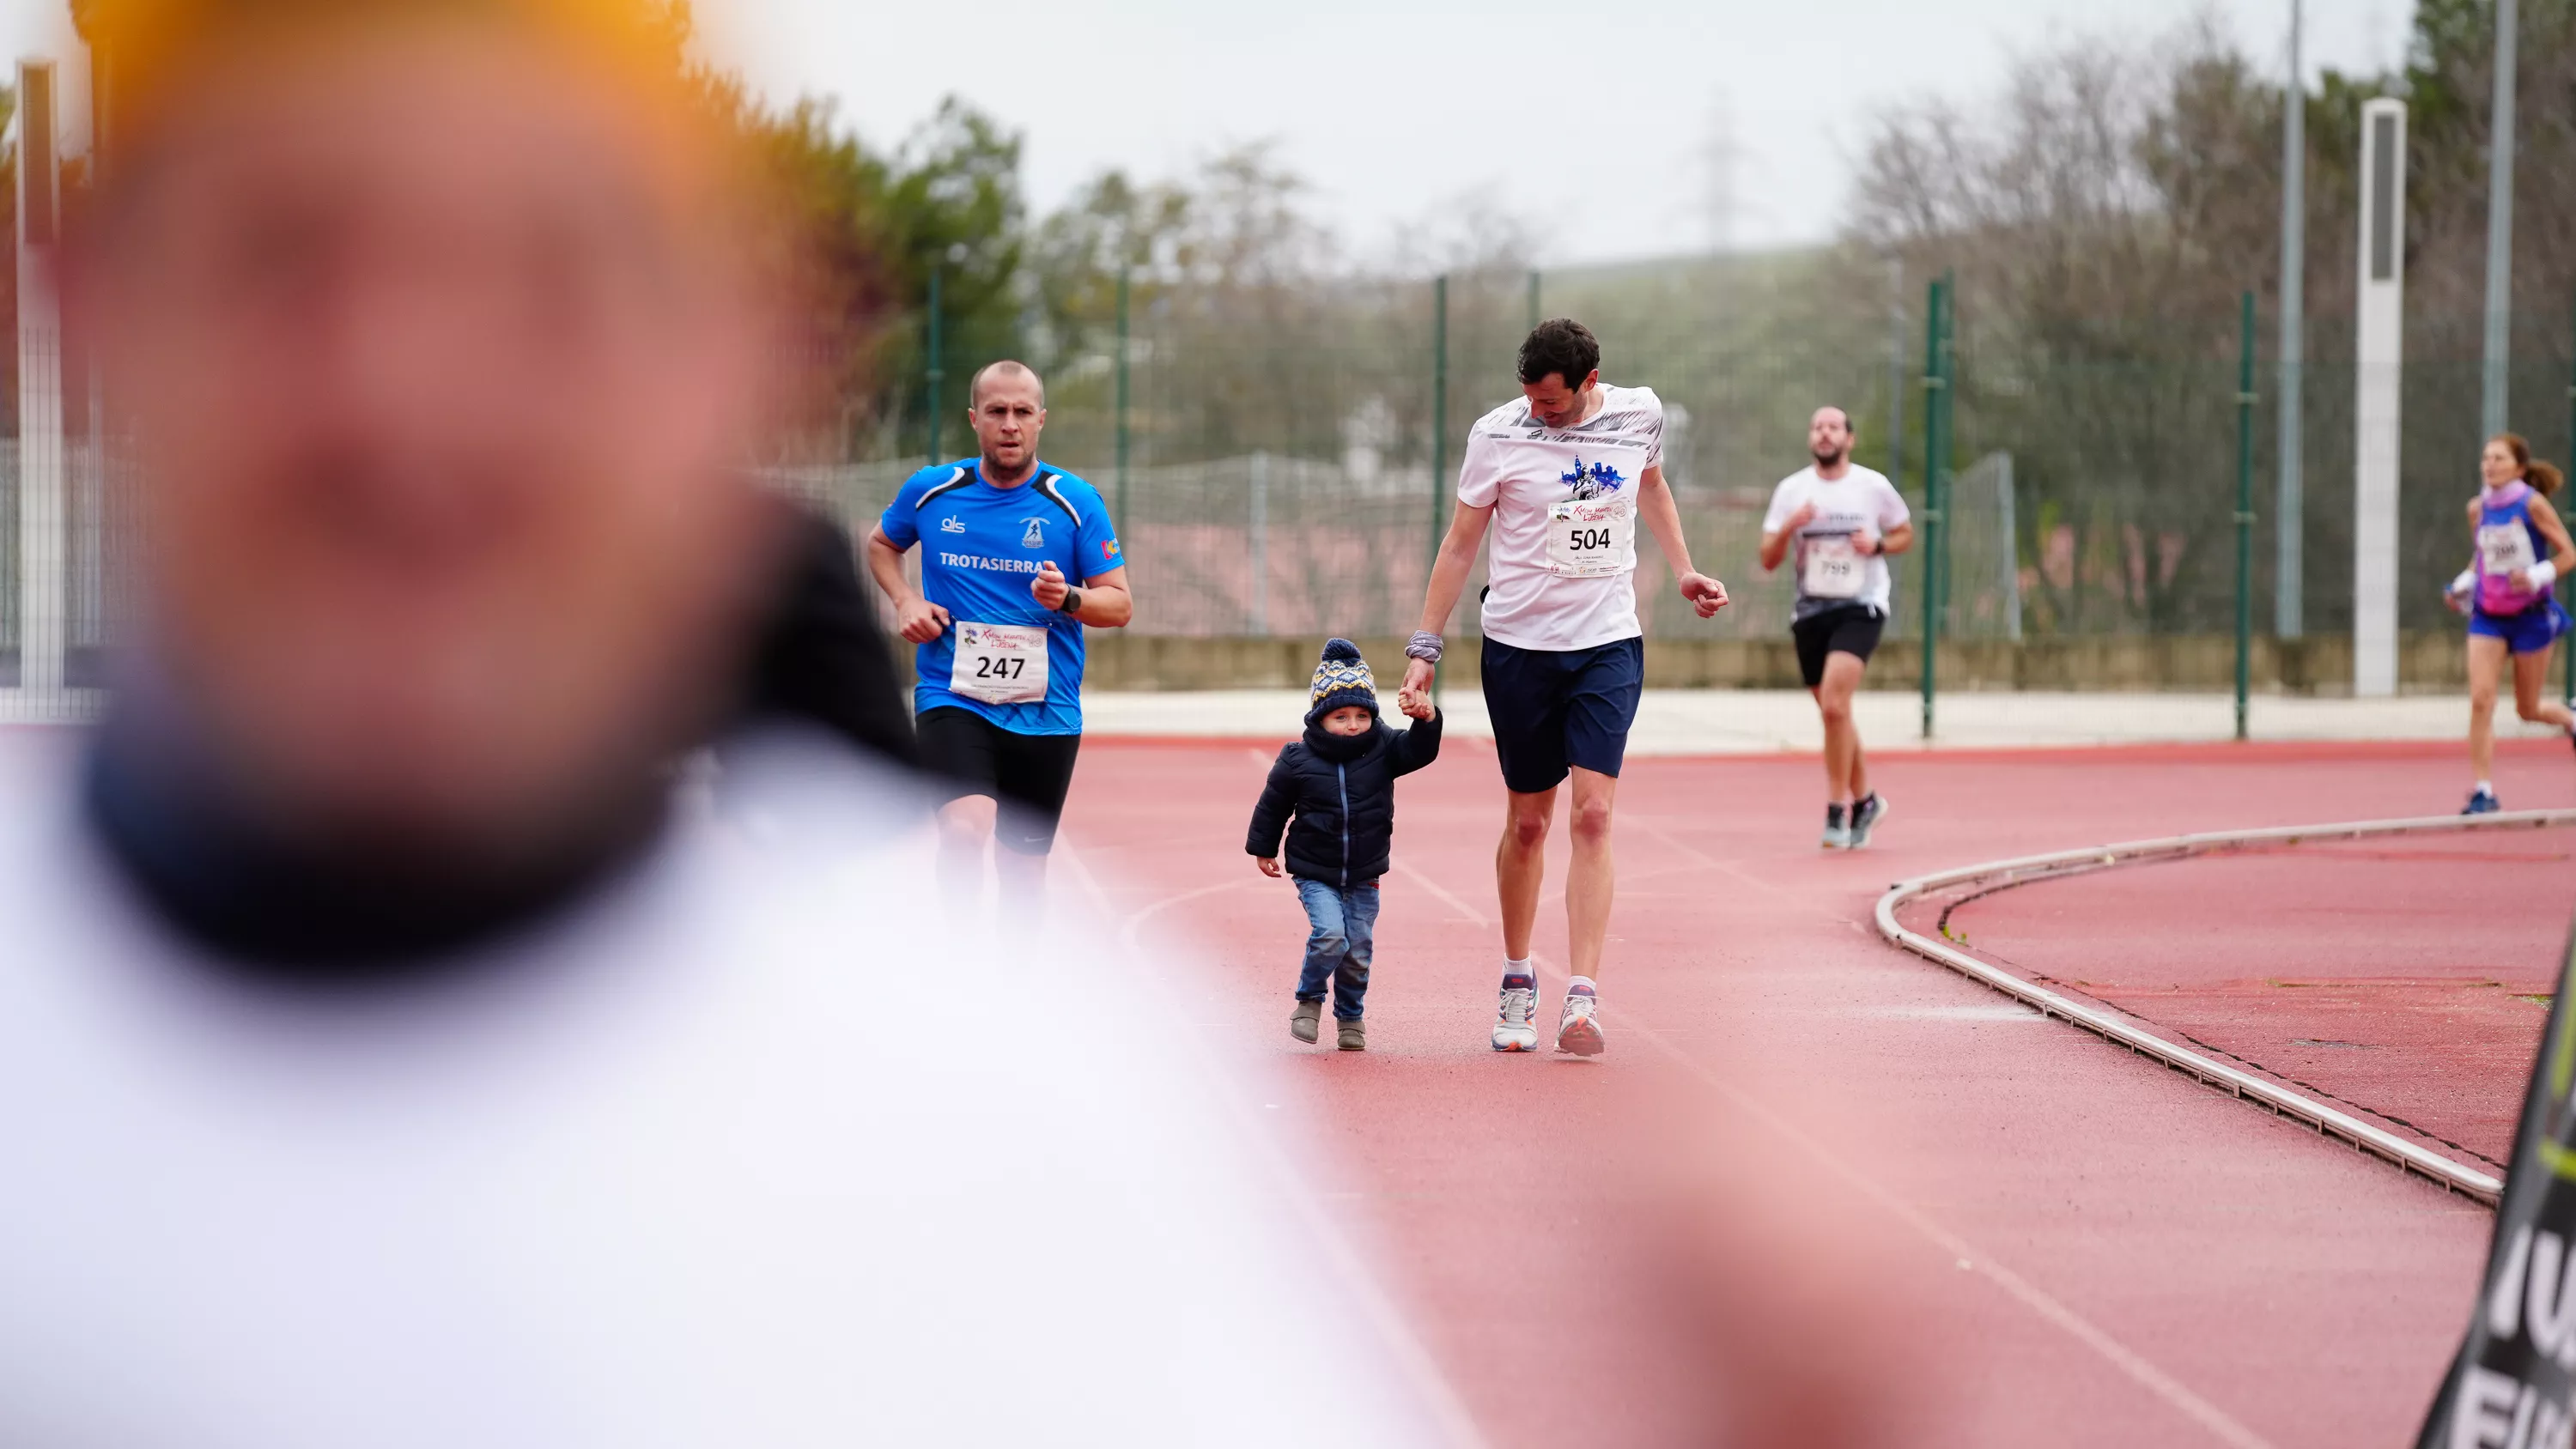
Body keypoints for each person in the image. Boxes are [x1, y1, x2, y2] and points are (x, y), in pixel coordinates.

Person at [4, 4, 1444, 1441]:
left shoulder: (1044, 1121)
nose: (408, 396)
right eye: (283, 255)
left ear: (729, 356)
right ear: (73, 310)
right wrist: (912, 612)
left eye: (548, 278)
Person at [1398, 318, 1729, 1056]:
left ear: (1588, 382)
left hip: (1606, 643)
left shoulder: (1639, 412)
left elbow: (1653, 487)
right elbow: (1460, 544)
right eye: (1529, 399)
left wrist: (1683, 570)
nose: (1537, 415)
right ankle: (1519, 977)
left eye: (1551, 404)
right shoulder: (1497, 433)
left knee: (1594, 817)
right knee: (1528, 824)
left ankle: (1583, 996)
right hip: (1518, 647)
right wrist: (1425, 647)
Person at [865, 361, 1132, 901]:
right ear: (974, 419)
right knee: (963, 833)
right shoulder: (933, 491)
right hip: (953, 694)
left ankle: (1011, 983)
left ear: (1040, 421)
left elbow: (1120, 605)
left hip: (1046, 709)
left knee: (1023, 874)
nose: (1010, 424)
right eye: (997, 411)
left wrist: (1070, 597)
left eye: (1022, 412)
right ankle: (961, 973)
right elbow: (881, 545)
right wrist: (905, 600)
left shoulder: (1075, 502)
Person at [1247, 639, 1443, 1052]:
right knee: (1330, 935)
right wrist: (1263, 848)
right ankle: (1309, 999)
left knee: (1357, 950)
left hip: (1364, 873)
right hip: (1315, 871)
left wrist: (1427, 718)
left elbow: (1421, 751)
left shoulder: (1385, 747)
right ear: (1320, 718)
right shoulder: (1297, 759)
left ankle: (1351, 1016)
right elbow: (1273, 805)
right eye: (1341, 716)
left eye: (1361, 715)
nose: (1353, 725)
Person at [1758, 406, 1914, 848]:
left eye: (1834, 427)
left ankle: (1836, 811)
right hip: (1810, 612)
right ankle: (1865, 799)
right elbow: (1767, 559)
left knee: (1833, 704)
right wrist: (1791, 525)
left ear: (1850, 438)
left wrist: (1879, 544)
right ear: (1811, 438)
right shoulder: (1792, 490)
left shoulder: (1871, 485)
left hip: (1860, 607)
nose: (1825, 434)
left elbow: (1905, 533)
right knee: (1835, 712)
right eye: (1817, 427)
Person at [2445, 433, 2576, 814]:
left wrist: (2537, 575)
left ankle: (2570, 719)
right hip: (2488, 616)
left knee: (2528, 709)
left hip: (2531, 618)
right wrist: (2464, 584)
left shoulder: (2532, 505)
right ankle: (2483, 790)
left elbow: (2569, 554)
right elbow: (2482, 557)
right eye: (2486, 458)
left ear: (2518, 467)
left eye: (2499, 458)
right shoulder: (2477, 509)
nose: (2490, 465)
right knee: (2481, 700)